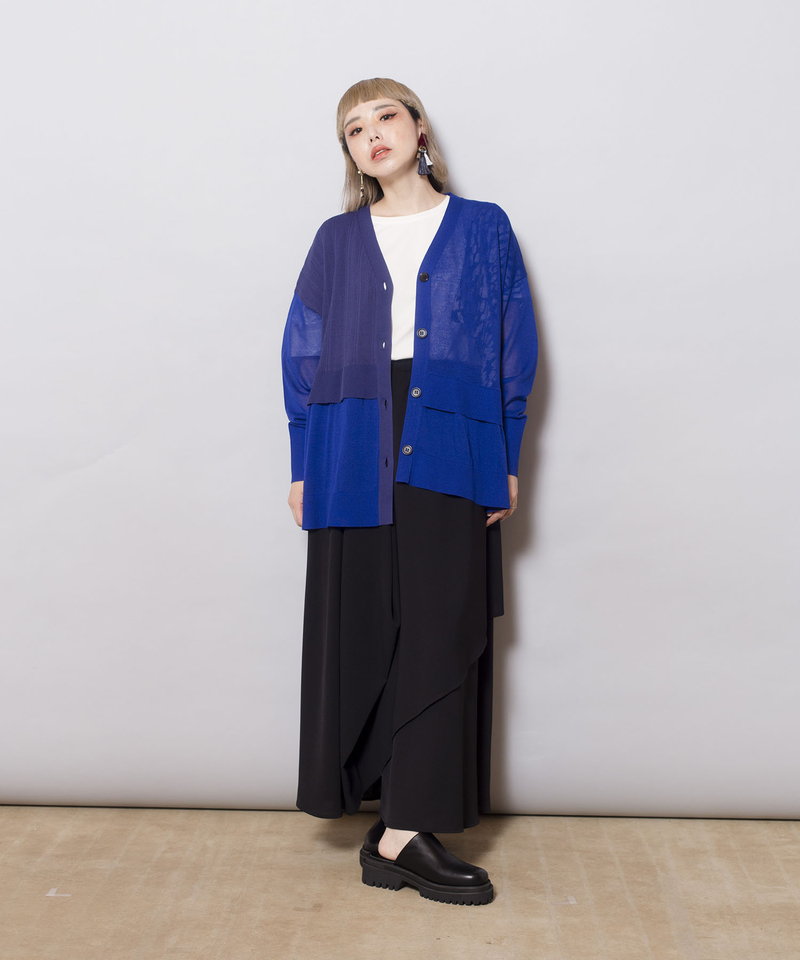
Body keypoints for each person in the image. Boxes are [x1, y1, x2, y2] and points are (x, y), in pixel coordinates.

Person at [281, 77, 538, 906]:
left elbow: (512, 344)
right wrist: (303, 462)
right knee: (367, 623)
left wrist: (503, 454)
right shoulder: (336, 240)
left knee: (443, 623)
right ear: (351, 155)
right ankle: (396, 828)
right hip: (353, 437)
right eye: (354, 130)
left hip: (452, 434)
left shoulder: (483, 226)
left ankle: (405, 826)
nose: (373, 135)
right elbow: (304, 353)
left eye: (385, 116)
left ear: (419, 128)